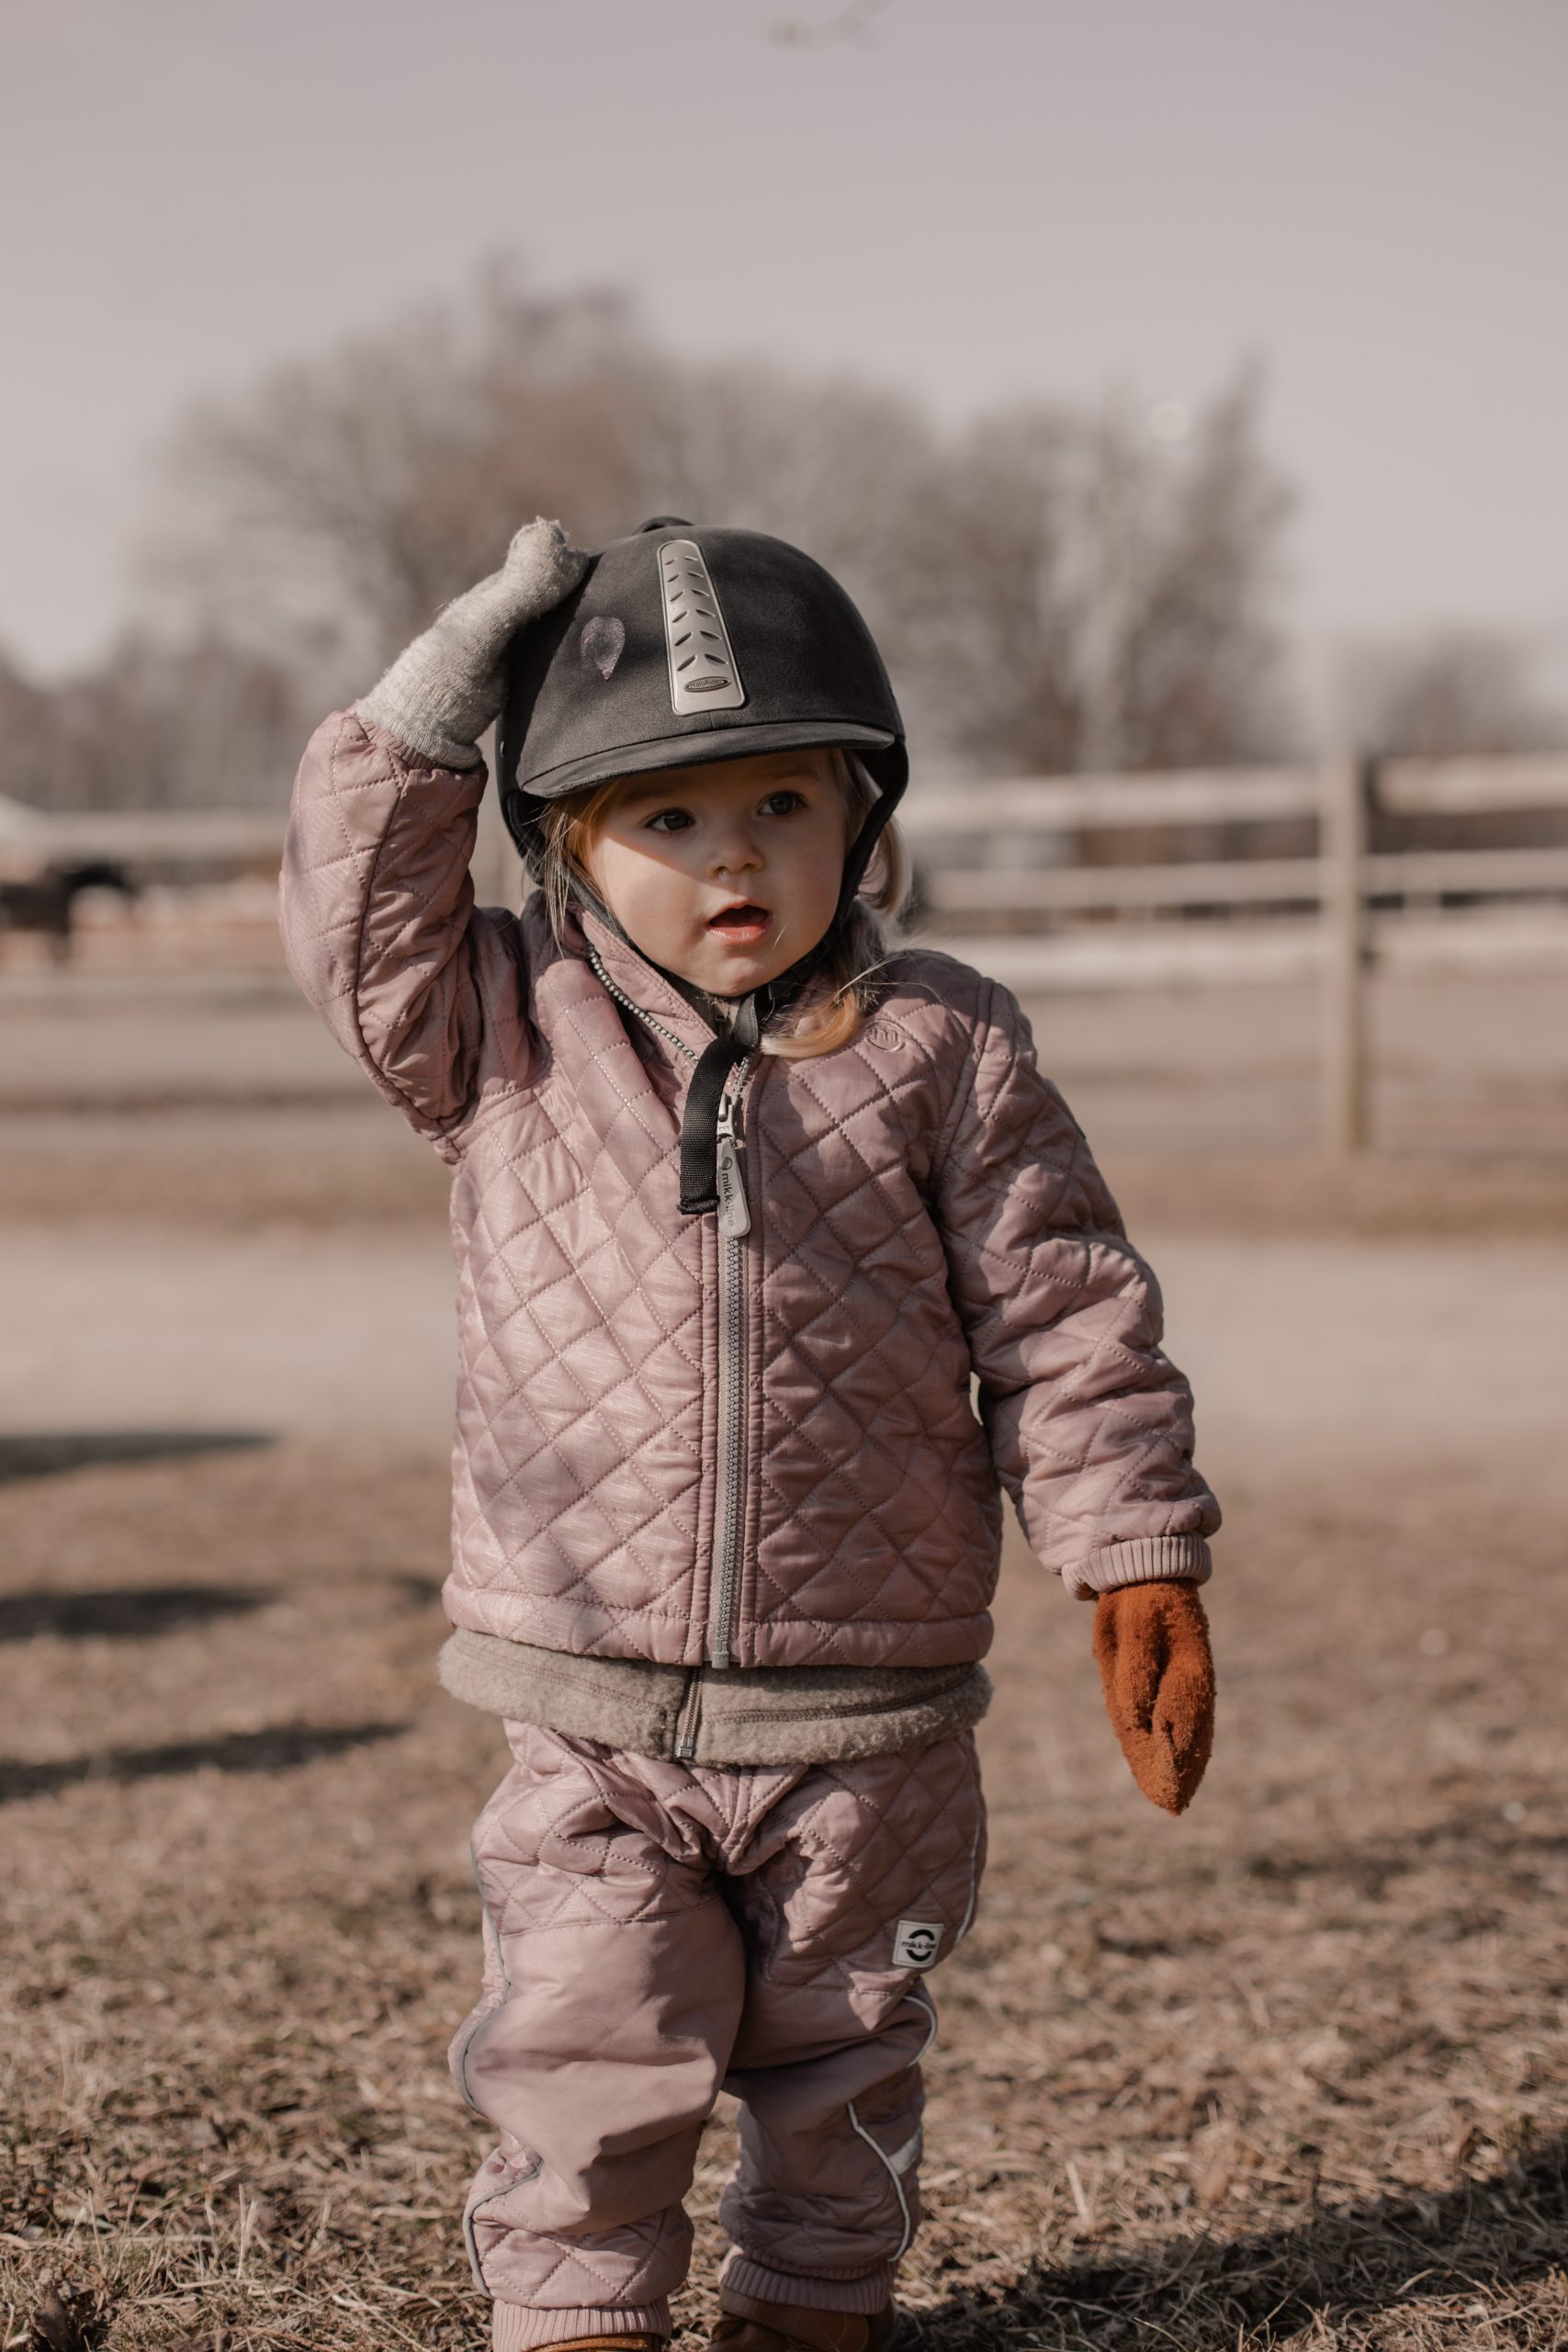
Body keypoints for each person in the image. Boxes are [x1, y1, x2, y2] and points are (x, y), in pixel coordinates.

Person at [280, 516, 1220, 2352]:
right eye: (673, 816)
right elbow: (351, 910)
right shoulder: (500, 1026)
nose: (736, 855)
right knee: (577, 2060)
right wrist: (436, 695)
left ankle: (808, 2314)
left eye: (782, 805)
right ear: (564, 841)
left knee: (857, 2056)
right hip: (588, 1714)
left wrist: (1131, 1548)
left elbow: (1063, 1308)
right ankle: (577, 2328)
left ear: (856, 819)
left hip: (871, 1730)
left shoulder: (942, 1045)